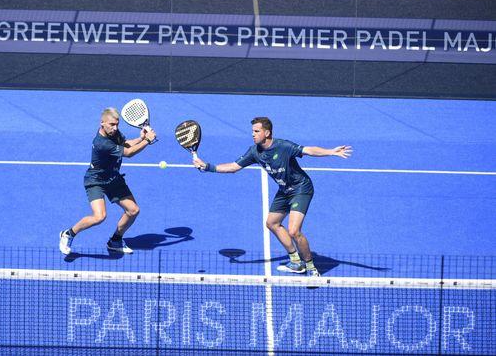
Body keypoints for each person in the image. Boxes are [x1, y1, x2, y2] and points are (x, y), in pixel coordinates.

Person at [193, 117, 352, 276]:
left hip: (301, 188)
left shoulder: (283, 146)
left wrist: (331, 151)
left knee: (294, 231)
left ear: (267, 132)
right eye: (252, 131)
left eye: (257, 131)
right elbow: (233, 167)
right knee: (272, 223)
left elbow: (309, 150)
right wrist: (208, 167)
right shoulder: (254, 151)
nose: (253, 135)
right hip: (284, 190)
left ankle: (311, 267)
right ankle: (296, 261)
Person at [59, 108, 157, 255]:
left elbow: (125, 144)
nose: (115, 128)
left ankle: (115, 240)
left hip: (113, 178)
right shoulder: (101, 143)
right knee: (99, 216)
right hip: (96, 180)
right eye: (112, 124)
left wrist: (140, 138)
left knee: (133, 210)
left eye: (117, 124)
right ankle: (68, 234)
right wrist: (148, 141)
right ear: (102, 123)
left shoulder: (114, 133)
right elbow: (128, 153)